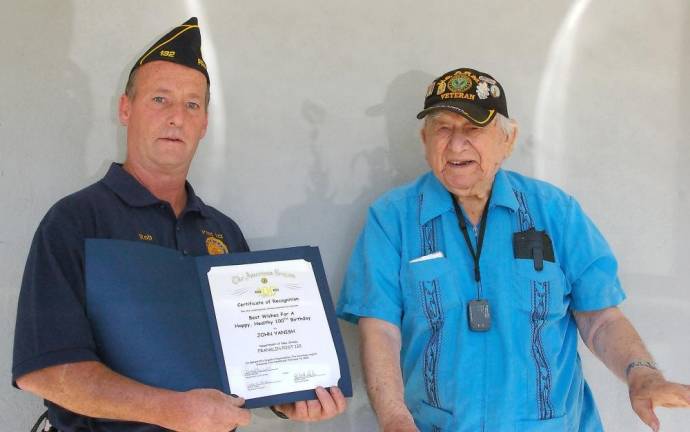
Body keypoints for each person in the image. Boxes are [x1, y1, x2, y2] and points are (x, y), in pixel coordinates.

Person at [12, 17, 346, 432]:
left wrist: (286, 398)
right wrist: (170, 410)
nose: (176, 117)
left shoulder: (223, 232)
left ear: (204, 123)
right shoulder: (75, 222)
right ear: (125, 109)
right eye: (160, 99)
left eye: (192, 104)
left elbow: (247, 362)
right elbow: (45, 370)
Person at [336, 67, 690, 431]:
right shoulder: (392, 218)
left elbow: (601, 319)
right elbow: (380, 329)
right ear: (424, 138)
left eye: (473, 128)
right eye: (443, 128)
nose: (456, 144)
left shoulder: (555, 212)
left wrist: (641, 374)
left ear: (508, 139)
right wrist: (395, 418)